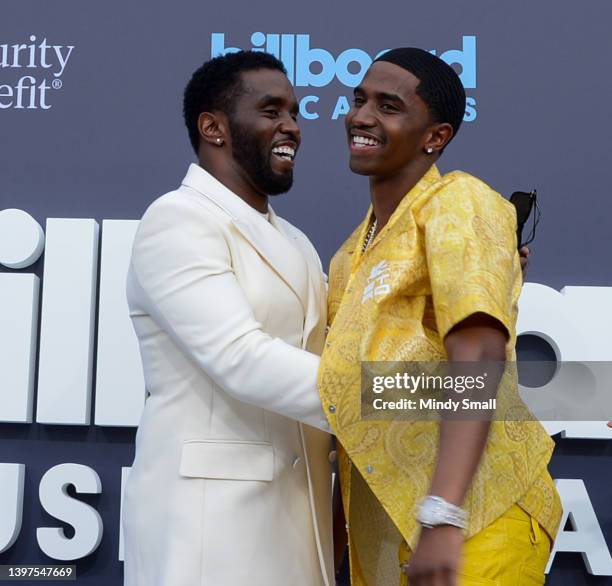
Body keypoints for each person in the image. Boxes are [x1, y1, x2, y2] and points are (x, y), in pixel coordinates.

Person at [318, 48, 562, 586]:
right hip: (386, 539)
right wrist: (332, 547)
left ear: (436, 136)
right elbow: (354, 411)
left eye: (389, 106)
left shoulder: (460, 201)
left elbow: (477, 354)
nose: (362, 116)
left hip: (476, 520)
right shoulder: (344, 259)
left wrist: (444, 514)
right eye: (359, 101)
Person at [122, 51, 335, 586]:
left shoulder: (297, 241)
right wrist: (410, 396)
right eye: (271, 111)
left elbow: (340, 344)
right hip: (210, 528)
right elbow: (241, 358)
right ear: (213, 128)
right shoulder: (178, 219)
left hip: (301, 524)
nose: (292, 127)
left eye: (294, 112)